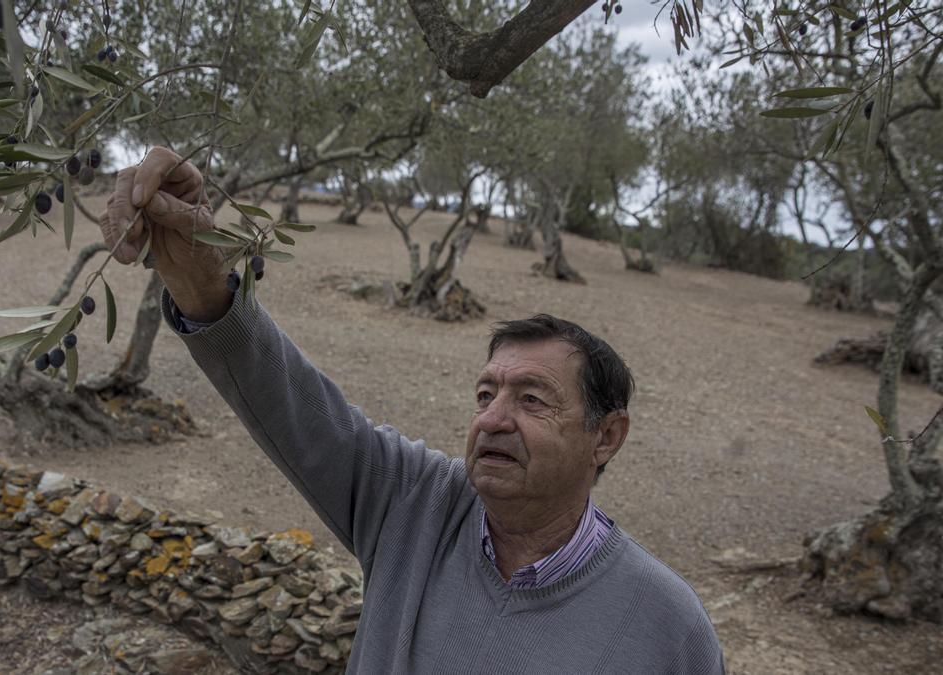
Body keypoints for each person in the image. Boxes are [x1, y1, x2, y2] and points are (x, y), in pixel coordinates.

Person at [98, 148, 725, 673]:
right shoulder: (414, 504)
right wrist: (201, 278)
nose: (493, 419)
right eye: (486, 395)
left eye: (532, 399)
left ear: (607, 436)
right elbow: (292, 406)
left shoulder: (669, 629)